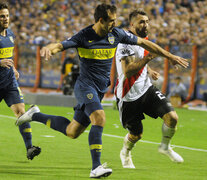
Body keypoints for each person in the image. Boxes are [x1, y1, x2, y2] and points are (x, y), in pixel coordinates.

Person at [16, 3, 188, 178]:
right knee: (99, 117)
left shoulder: (116, 34)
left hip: (99, 89)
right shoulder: (84, 36)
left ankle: (35, 114)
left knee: (72, 131)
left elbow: (144, 43)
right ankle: (96, 168)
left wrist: (170, 56)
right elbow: (60, 45)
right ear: (101, 20)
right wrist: (49, 48)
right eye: (111, 21)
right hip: (85, 86)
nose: (114, 24)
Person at [115, 9, 184, 169]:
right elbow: (128, 70)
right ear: (132, 24)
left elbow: (141, 60)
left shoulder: (144, 39)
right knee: (136, 134)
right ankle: (125, 152)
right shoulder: (124, 43)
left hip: (146, 89)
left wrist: (149, 70)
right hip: (128, 96)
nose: (146, 25)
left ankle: (165, 147)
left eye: (147, 21)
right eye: (141, 22)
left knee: (172, 117)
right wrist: (148, 58)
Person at [0, 2, 41, 160]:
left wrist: (13, 68)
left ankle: (29, 147)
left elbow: (7, 56)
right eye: (2, 16)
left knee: (21, 113)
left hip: (9, 82)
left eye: (7, 15)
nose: (5, 18)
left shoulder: (10, 34)